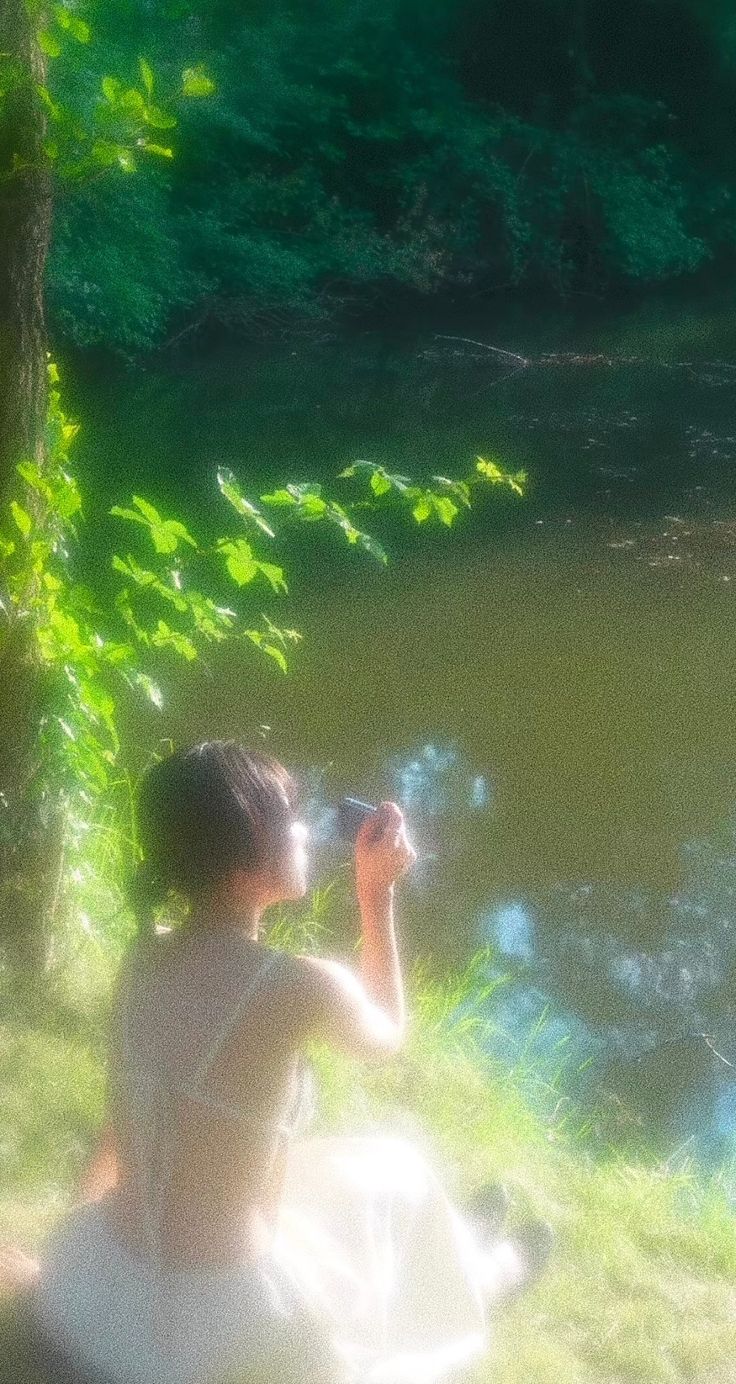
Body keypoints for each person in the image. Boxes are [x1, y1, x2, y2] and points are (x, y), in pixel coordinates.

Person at [4, 741, 550, 1384]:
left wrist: (83, 1247)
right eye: (292, 816)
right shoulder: (299, 986)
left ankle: (462, 1238)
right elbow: (390, 1036)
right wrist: (377, 897)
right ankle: (488, 1274)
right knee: (397, 1172)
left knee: (350, 1186)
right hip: (223, 1313)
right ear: (248, 852)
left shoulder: (143, 956)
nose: (306, 831)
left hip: (110, 1267)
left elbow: (130, 1118)